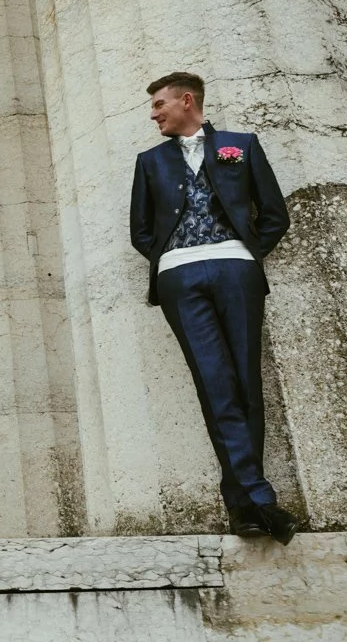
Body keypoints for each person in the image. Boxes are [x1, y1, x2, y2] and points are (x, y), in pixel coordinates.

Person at [129, 72, 302, 544]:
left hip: (236, 271)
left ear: (188, 101)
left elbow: (274, 213)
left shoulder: (240, 145)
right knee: (214, 383)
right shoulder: (149, 162)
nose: (154, 113)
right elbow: (140, 230)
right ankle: (259, 499)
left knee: (246, 382)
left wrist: (247, 254)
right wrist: (169, 259)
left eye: (160, 104)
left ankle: (243, 506)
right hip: (180, 278)